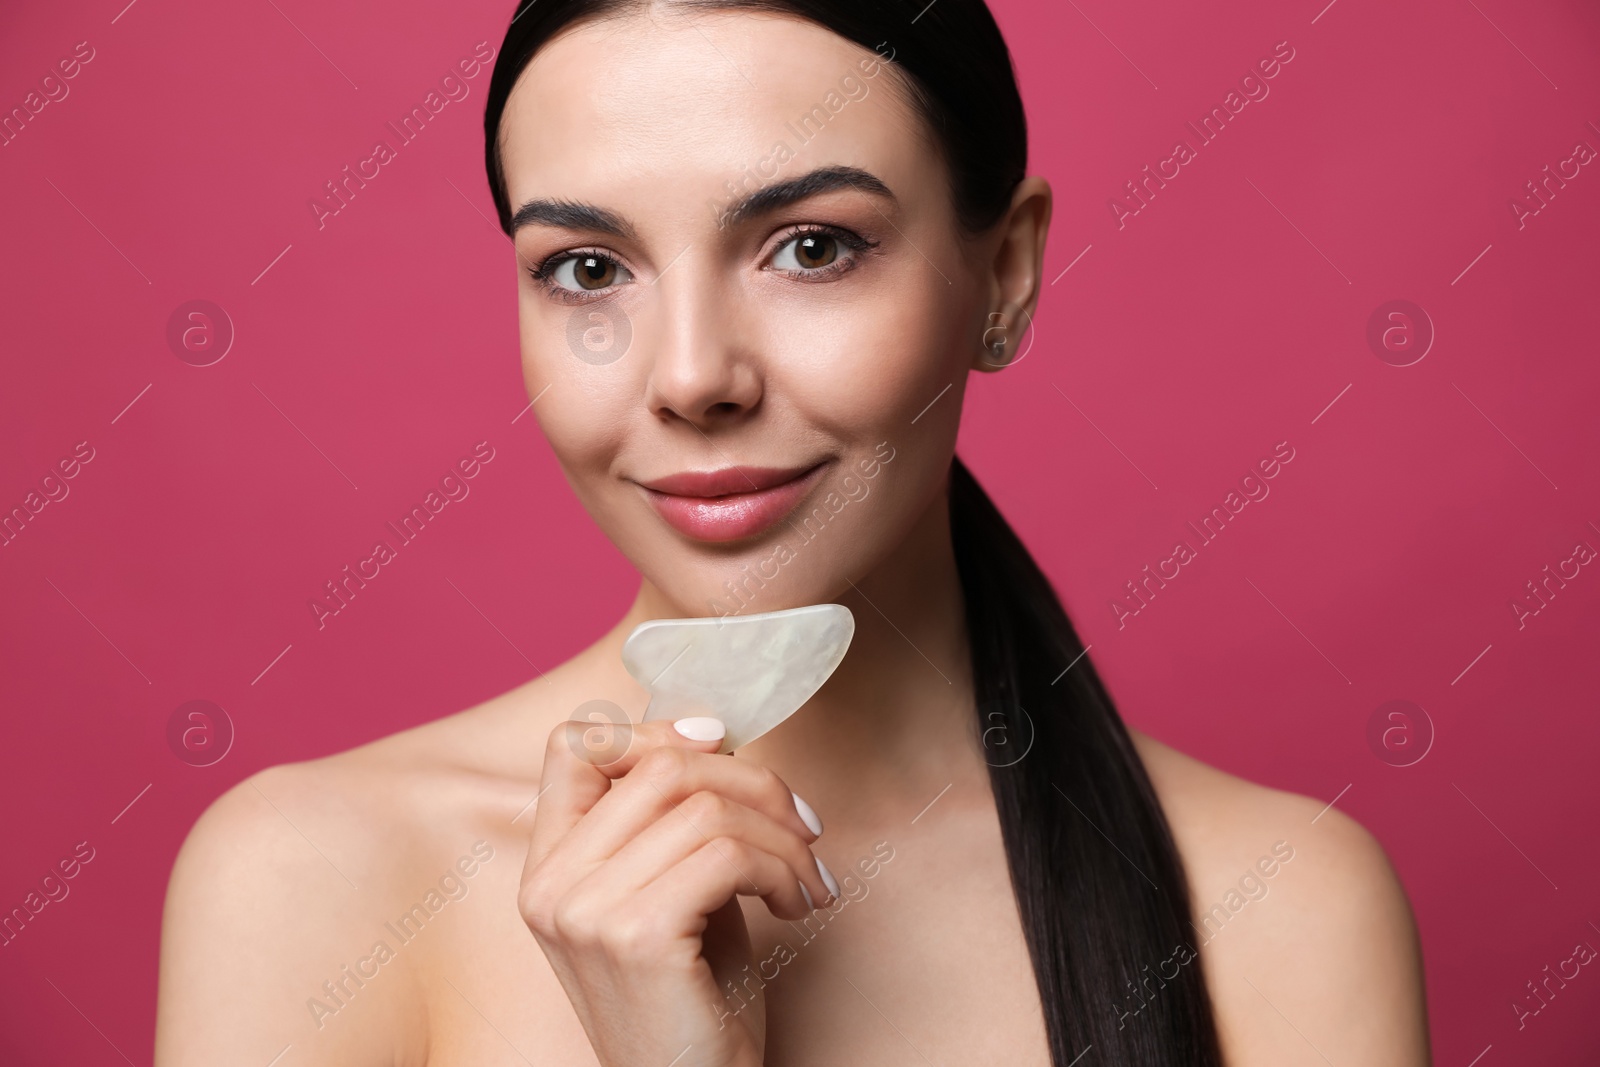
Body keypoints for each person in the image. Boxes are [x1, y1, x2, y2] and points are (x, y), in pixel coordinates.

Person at [154, 1, 1431, 1063]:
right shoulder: (314, 889)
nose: (694, 375)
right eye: (589, 268)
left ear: (1005, 275)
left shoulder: (1275, 910)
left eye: (811, 246)